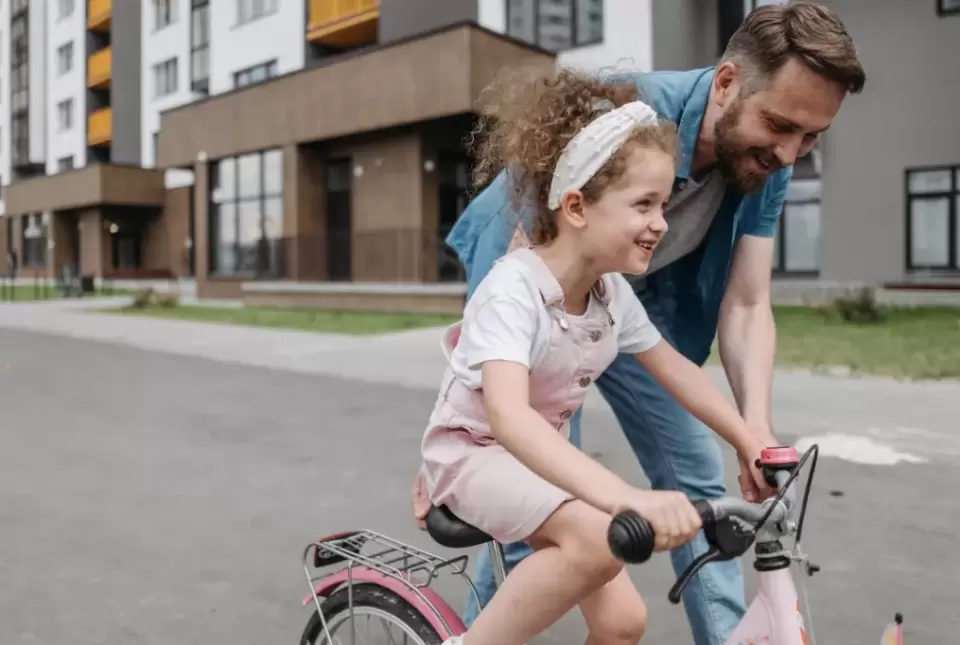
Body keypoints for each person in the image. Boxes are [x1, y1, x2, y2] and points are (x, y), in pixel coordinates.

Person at [413, 3, 866, 645]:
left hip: (600, 302)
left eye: (812, 138)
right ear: (728, 82)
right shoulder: (617, 128)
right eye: (780, 125)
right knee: (561, 535)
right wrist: (461, 424)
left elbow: (727, 318)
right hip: (515, 358)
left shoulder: (617, 291)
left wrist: (750, 433)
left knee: (627, 607)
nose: (791, 154)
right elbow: (504, 387)